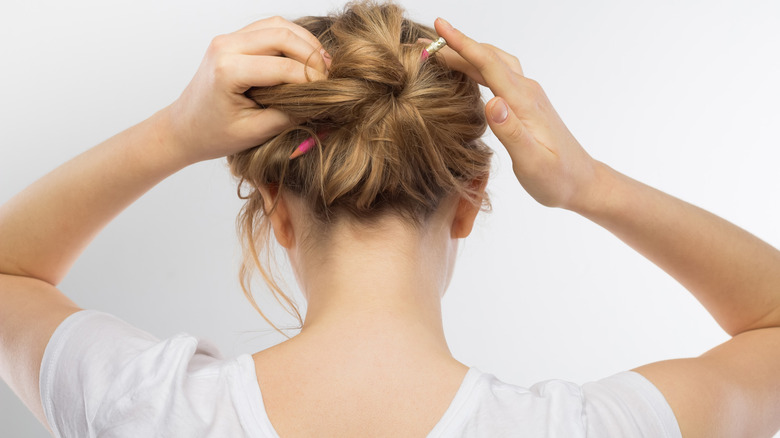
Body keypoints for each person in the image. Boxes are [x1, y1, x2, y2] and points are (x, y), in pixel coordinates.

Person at [0, 1, 778, 436]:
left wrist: (172, 132)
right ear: (469, 203)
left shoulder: (147, 409)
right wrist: (589, 183)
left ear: (275, 207)